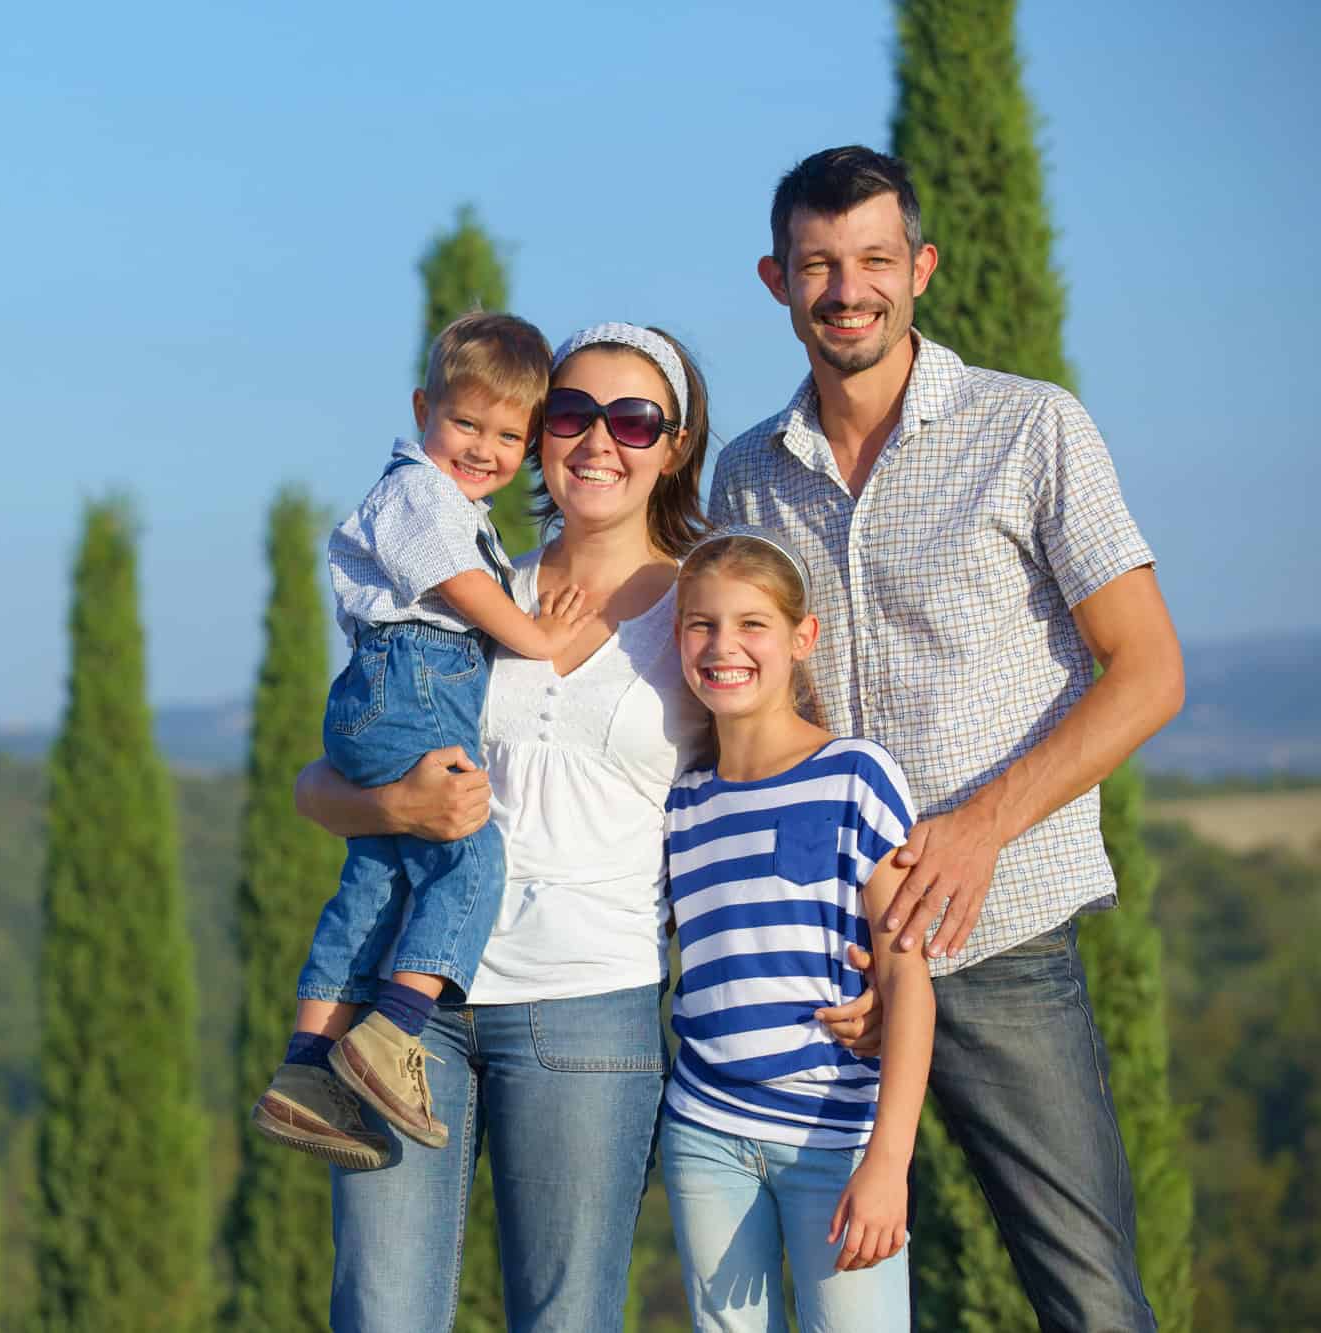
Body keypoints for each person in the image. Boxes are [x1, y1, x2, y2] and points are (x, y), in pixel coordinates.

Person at [294, 321, 881, 1331]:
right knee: (379, 1311)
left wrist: (861, 952)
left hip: (586, 1011)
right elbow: (319, 781)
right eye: (569, 414)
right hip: (409, 1007)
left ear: (675, 442)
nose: (597, 439)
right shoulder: (468, 587)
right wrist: (396, 807)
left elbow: (793, 786)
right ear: (534, 437)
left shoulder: (710, 616)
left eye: (632, 418)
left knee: (562, 1319)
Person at [710, 145, 1186, 1331]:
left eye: (873, 258)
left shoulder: (1029, 428)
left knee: (1085, 1297)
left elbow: (1147, 670)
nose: (845, 288)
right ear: (775, 280)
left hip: (1002, 930)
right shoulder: (745, 477)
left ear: (918, 267)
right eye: (817, 264)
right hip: (826, 969)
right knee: (826, 1308)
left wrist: (977, 829)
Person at [251, 311, 598, 1168]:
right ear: (421, 409)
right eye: (465, 423)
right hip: (408, 684)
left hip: (396, 686)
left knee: (374, 876)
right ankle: (392, 1031)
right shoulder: (417, 493)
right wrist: (536, 633)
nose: (483, 448)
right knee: (471, 852)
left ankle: (306, 1066)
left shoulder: (448, 497)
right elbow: (456, 583)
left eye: (508, 434)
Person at [658, 527, 934, 1332]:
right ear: (679, 640)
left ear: (800, 638)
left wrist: (890, 1160)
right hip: (705, 1131)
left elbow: (908, 980)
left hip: (837, 1139)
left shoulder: (856, 775)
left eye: (753, 624)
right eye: (702, 624)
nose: (724, 645)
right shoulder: (683, 804)